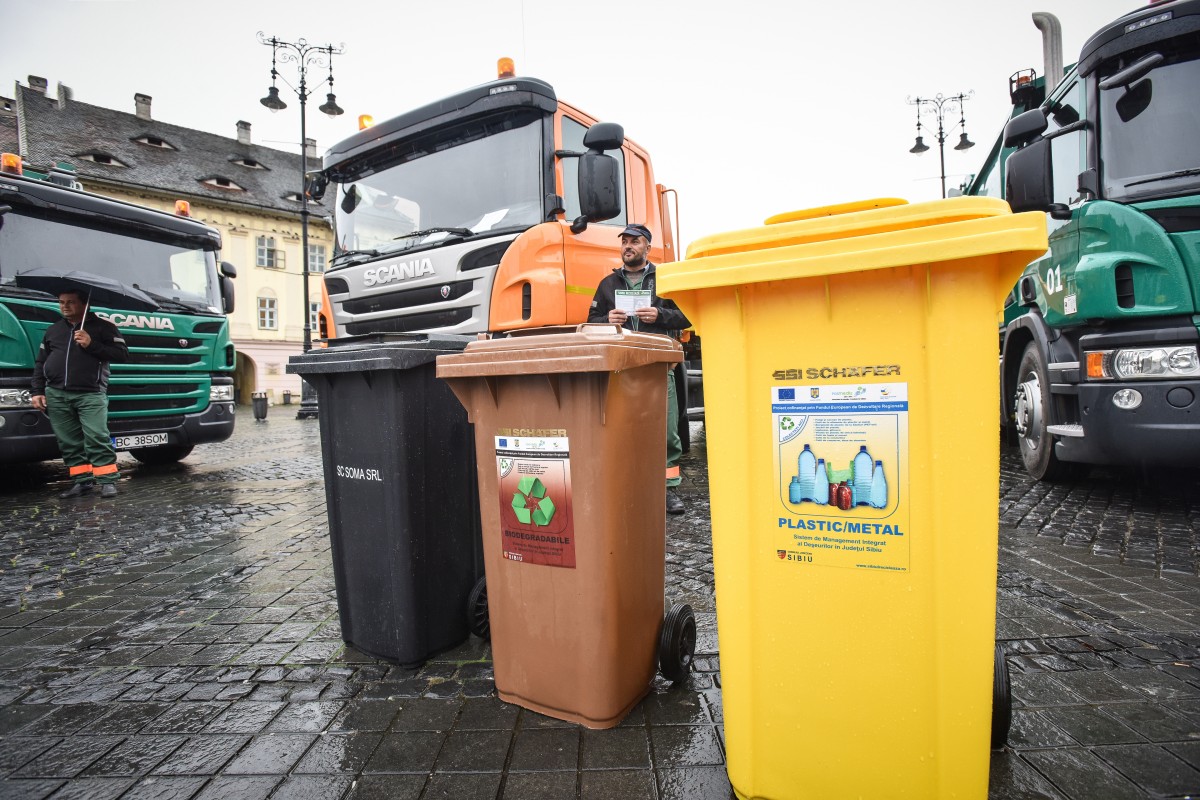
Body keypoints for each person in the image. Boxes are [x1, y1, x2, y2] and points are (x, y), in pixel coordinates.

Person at [588, 223, 691, 515]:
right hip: (622, 366)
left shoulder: (665, 279)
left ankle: (668, 491)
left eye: (635, 241)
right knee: (623, 428)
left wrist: (661, 314)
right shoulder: (608, 284)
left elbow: (686, 315)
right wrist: (606, 319)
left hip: (658, 365)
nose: (628, 246)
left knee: (667, 430)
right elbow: (590, 320)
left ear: (648, 247)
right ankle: (628, 487)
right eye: (625, 242)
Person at [30, 289, 129, 499]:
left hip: (90, 394)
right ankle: (81, 482)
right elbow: (41, 362)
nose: (65, 306)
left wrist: (91, 344)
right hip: (56, 394)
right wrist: (37, 391)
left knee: (97, 437)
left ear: (85, 305)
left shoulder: (104, 328)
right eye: (61, 302)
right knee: (69, 442)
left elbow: (122, 354)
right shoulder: (53, 330)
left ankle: (107, 481)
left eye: (71, 302)